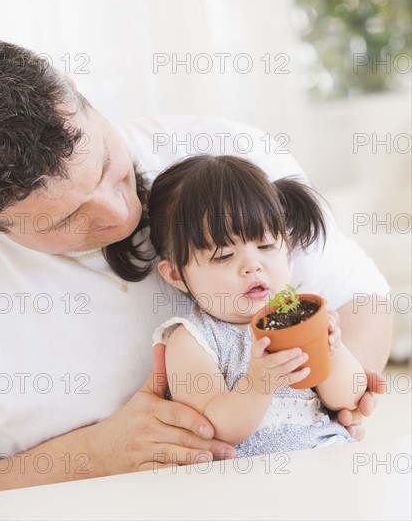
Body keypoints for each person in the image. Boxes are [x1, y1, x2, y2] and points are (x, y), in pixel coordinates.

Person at [0, 36, 392, 497]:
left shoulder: (226, 155)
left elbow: (361, 298)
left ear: (77, 91)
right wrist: (87, 458)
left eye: (106, 164)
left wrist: (341, 389)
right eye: (66, 218)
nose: (119, 213)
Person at [148, 155, 365, 455]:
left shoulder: (298, 317)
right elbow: (214, 430)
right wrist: (258, 384)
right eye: (224, 256)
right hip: (249, 483)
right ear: (176, 275)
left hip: (327, 455)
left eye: (265, 246)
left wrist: (334, 351)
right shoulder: (192, 340)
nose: (253, 265)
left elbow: (347, 400)